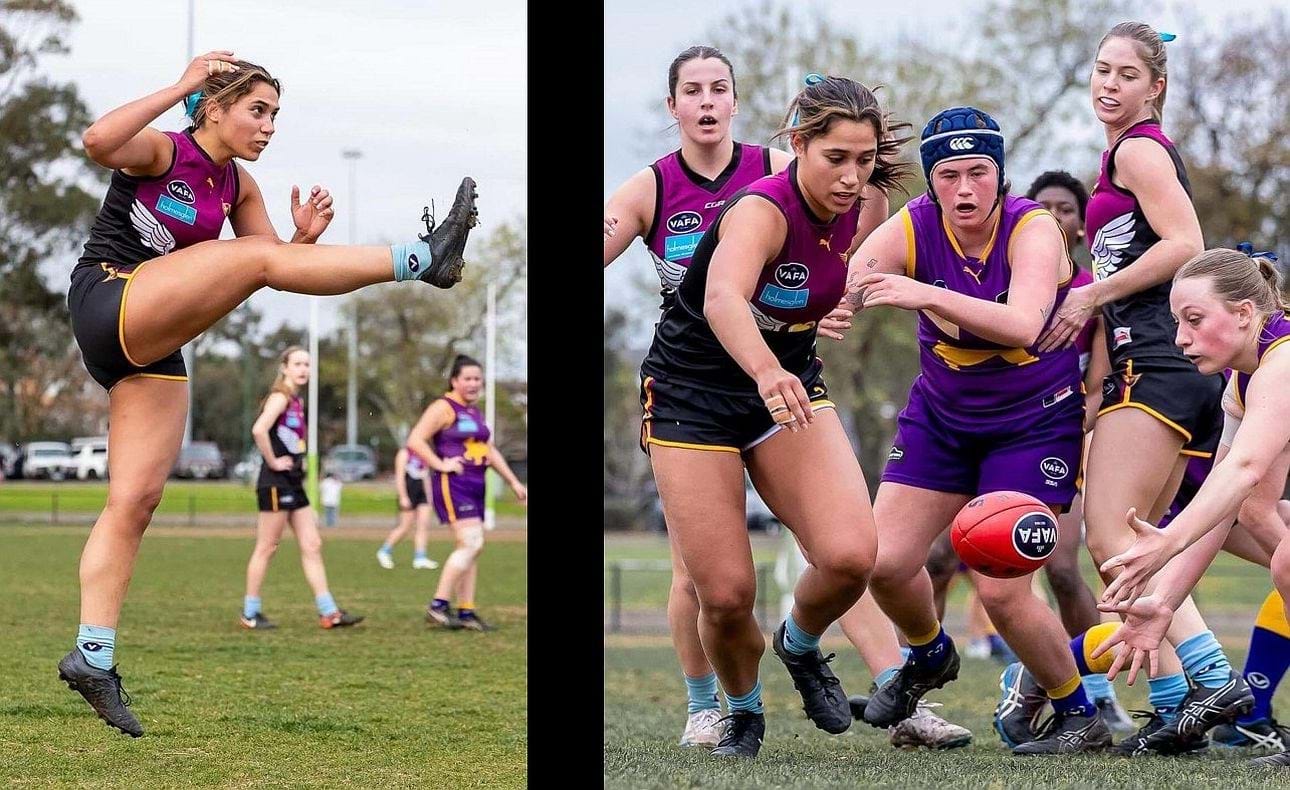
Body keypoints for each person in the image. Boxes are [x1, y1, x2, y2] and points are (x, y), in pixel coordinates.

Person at [56, 51, 478, 738]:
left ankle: (92, 657)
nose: (270, 125)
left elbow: (276, 268)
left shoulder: (238, 188)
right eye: (258, 110)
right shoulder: (164, 151)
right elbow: (97, 141)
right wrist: (182, 85)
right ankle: (422, 257)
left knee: (135, 501)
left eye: (276, 113)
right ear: (214, 108)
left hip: (154, 343)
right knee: (254, 258)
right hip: (109, 299)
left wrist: (302, 243)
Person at [605, 48, 968, 750]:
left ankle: (800, 646)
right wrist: (769, 371)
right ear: (798, 144)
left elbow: (850, 267)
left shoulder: (859, 199)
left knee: (850, 554)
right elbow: (720, 298)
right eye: (837, 157)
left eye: (864, 160)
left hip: (790, 382)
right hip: (693, 395)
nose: (852, 175)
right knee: (725, 591)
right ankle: (737, 708)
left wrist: (836, 306)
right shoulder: (758, 208)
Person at [845, 105, 1111, 754]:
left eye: (979, 173)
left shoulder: (1034, 228)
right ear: (931, 181)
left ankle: (1081, 716)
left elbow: (1023, 324)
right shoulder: (915, 225)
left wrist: (925, 295)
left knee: (1000, 588)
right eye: (949, 175)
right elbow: (854, 276)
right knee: (882, 563)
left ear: (1001, 174)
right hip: (941, 417)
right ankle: (929, 654)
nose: (965, 190)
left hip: (1032, 424)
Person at [1035, 23, 1251, 756]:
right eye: (1101, 71)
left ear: (1155, 87)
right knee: (1145, 546)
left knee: (1111, 540)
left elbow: (1187, 243)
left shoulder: (1137, 148)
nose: (1108, 85)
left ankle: (1213, 679)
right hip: (1176, 367)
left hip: (1156, 362)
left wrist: (1093, 295)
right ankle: (1171, 708)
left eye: (1127, 75)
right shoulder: (1121, 155)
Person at [1090, 245, 1290, 767]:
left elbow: (1244, 468)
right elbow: (1225, 502)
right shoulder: (1242, 384)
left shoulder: (1284, 360)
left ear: (1245, 313)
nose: (1180, 337)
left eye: (1194, 320)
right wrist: (1164, 600)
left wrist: (1168, 542)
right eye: (1177, 321)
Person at [237, 345, 364, 635]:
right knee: (267, 547)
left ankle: (328, 612)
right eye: (297, 364)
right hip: (275, 482)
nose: (304, 369)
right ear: (284, 367)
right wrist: (273, 461)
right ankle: (250, 612)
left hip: (294, 482)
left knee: (312, 544)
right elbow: (259, 429)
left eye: (307, 364)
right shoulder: (280, 397)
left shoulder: (296, 401)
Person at [416, 355, 527, 632]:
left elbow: (489, 450)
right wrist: (440, 464)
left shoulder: (474, 412)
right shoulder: (444, 407)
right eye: (467, 378)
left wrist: (513, 481)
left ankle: (466, 611)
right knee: (471, 543)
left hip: (477, 485)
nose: (473, 383)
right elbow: (415, 440)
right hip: (454, 485)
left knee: (471, 547)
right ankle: (438, 605)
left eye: (477, 378)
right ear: (454, 380)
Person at [375, 447, 439, 569]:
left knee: (423, 525)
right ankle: (384, 551)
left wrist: (429, 496)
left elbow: (425, 476)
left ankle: (420, 557)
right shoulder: (404, 453)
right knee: (405, 526)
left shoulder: (423, 453)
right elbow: (399, 477)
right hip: (409, 492)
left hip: (422, 493)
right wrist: (403, 496)